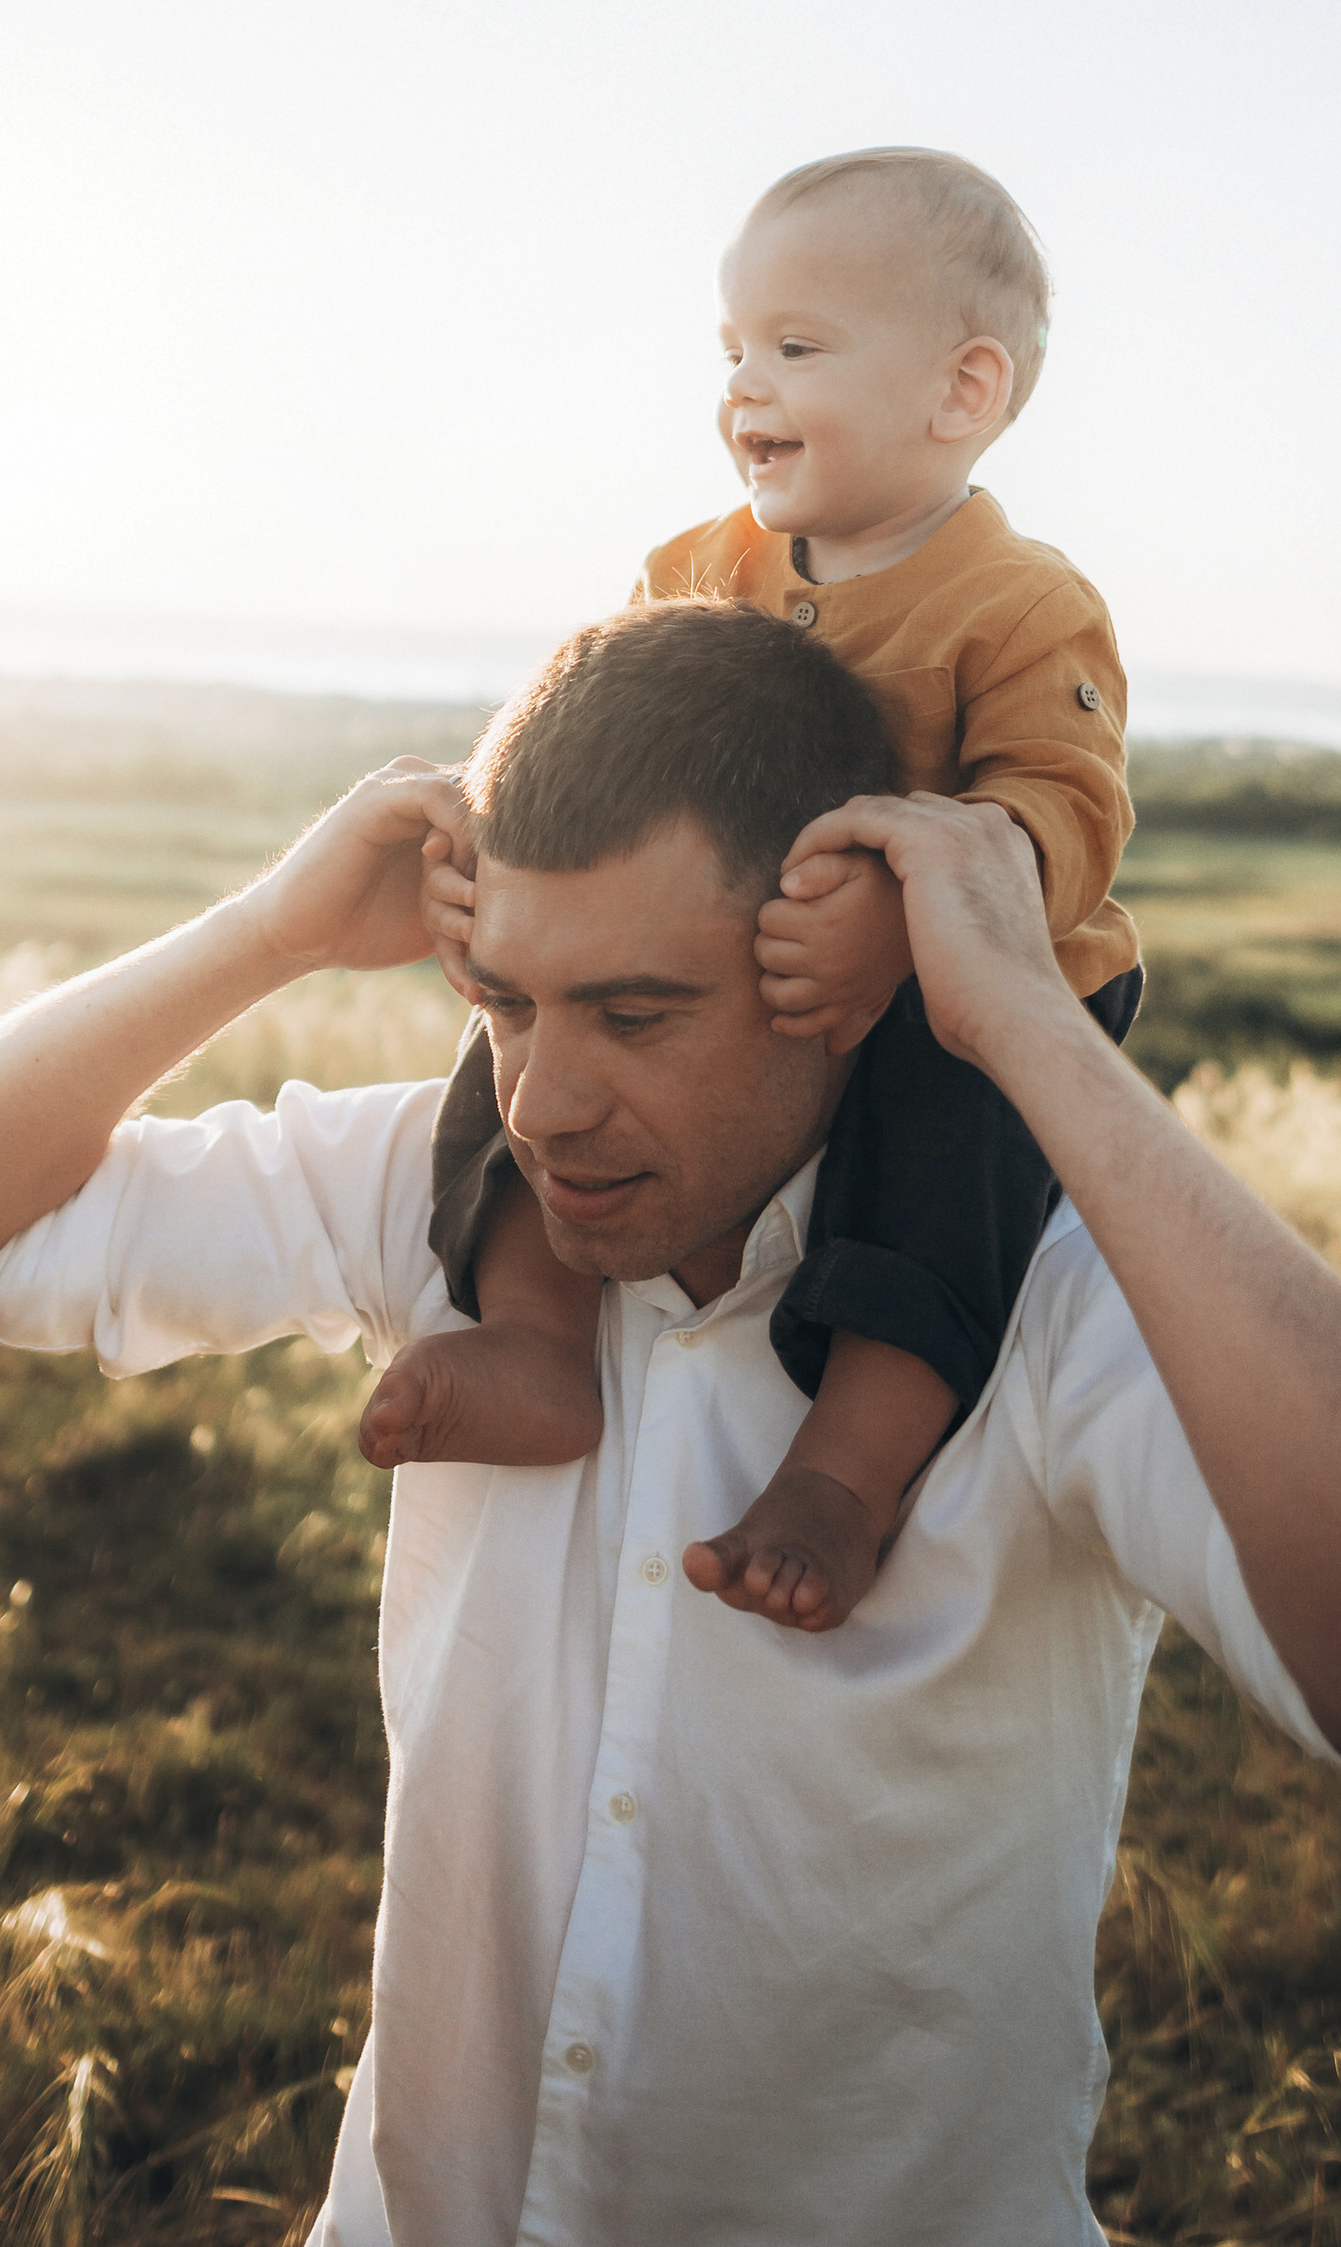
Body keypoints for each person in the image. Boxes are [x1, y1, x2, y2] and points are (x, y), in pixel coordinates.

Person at [0, 601, 1341, 2247]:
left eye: (637, 1014)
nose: (545, 1102)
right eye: (508, 1005)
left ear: (853, 985)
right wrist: (270, 933)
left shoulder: (1051, 1307)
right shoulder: (443, 1192)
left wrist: (1027, 1027)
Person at [375, 145, 1143, 1632]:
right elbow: (596, 743)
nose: (745, 388)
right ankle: (537, 1339)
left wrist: (912, 923)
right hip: (732, 972)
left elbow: (1065, 804)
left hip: (968, 987)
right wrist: (493, 856)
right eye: (732, 350)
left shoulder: (1021, 604)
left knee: (948, 1166)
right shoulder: (697, 563)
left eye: (795, 348)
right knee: (525, 1059)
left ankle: (845, 1476)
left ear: (964, 390)